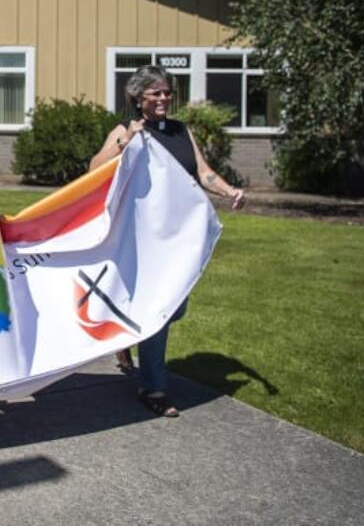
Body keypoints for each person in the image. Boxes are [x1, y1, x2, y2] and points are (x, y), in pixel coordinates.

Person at [88, 64, 246, 417]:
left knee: (177, 306)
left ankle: (130, 338)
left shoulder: (180, 131)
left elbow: (202, 172)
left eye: (167, 93)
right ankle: (154, 388)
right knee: (158, 308)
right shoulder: (127, 130)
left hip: (176, 236)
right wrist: (123, 144)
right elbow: (93, 168)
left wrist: (228, 190)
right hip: (144, 236)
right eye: (156, 93)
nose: (164, 99)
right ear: (138, 97)